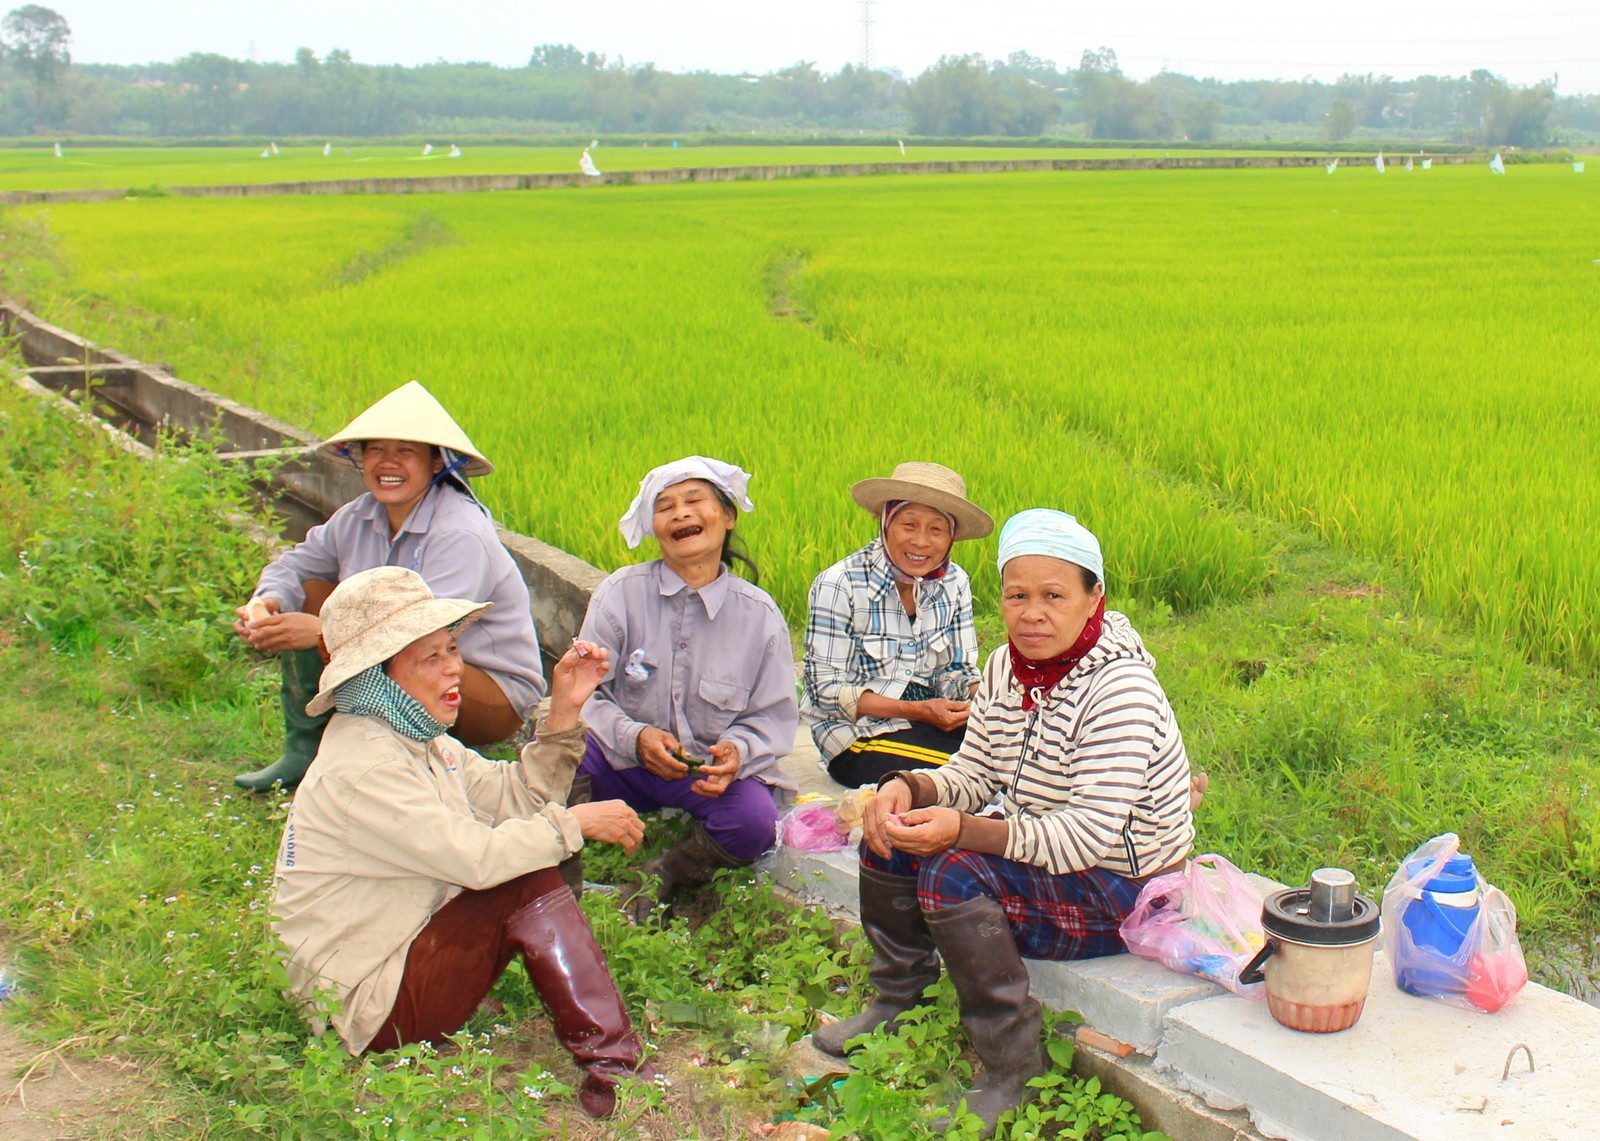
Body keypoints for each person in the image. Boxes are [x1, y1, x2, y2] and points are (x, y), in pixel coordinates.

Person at [813, 510, 1196, 1136]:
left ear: (1094, 597)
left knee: (953, 868)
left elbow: (1084, 837)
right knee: (889, 829)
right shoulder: (1007, 669)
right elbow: (976, 770)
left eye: (1054, 596)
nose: (1032, 613)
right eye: (1017, 596)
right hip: (1047, 859)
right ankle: (894, 1000)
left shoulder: (1120, 689)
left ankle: (1013, 1068)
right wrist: (906, 787)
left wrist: (962, 831)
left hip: (1120, 888)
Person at [270, 566, 656, 1118]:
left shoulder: (417, 740)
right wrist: (575, 823)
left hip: (398, 961)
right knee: (525, 873)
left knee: (526, 854)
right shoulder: (366, 766)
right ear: (377, 676)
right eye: (430, 658)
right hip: (360, 1007)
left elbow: (514, 793)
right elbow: (479, 860)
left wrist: (565, 709)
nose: (455, 668)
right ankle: (618, 1069)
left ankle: (610, 1061)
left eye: (452, 648)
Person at [233, 381, 545, 792]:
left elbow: (424, 636)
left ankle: (411, 768)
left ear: (437, 463)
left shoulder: (459, 533)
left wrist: (321, 633)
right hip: (409, 663)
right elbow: (294, 564)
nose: (387, 462)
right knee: (311, 589)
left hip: (484, 688)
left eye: (405, 451)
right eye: (376, 450)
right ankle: (305, 749)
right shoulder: (358, 516)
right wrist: (266, 602)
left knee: (409, 655)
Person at [576, 456, 799, 921]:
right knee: (557, 759)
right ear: (655, 528)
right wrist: (635, 737)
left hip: (705, 778)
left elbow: (772, 716)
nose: (680, 513)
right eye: (665, 506)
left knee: (754, 821)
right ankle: (561, 868)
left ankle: (669, 874)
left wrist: (736, 752)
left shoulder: (759, 616)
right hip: (625, 763)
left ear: (729, 515)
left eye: (694, 500)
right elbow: (585, 695)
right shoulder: (619, 595)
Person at [802, 462, 992, 788]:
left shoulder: (955, 582)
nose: (920, 542)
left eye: (936, 529)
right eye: (909, 524)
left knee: (1007, 753)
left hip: (930, 723)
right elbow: (826, 693)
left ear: (952, 537)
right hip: (858, 736)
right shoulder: (841, 583)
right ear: (885, 522)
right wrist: (919, 711)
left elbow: (958, 669)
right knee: (968, 774)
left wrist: (983, 701)